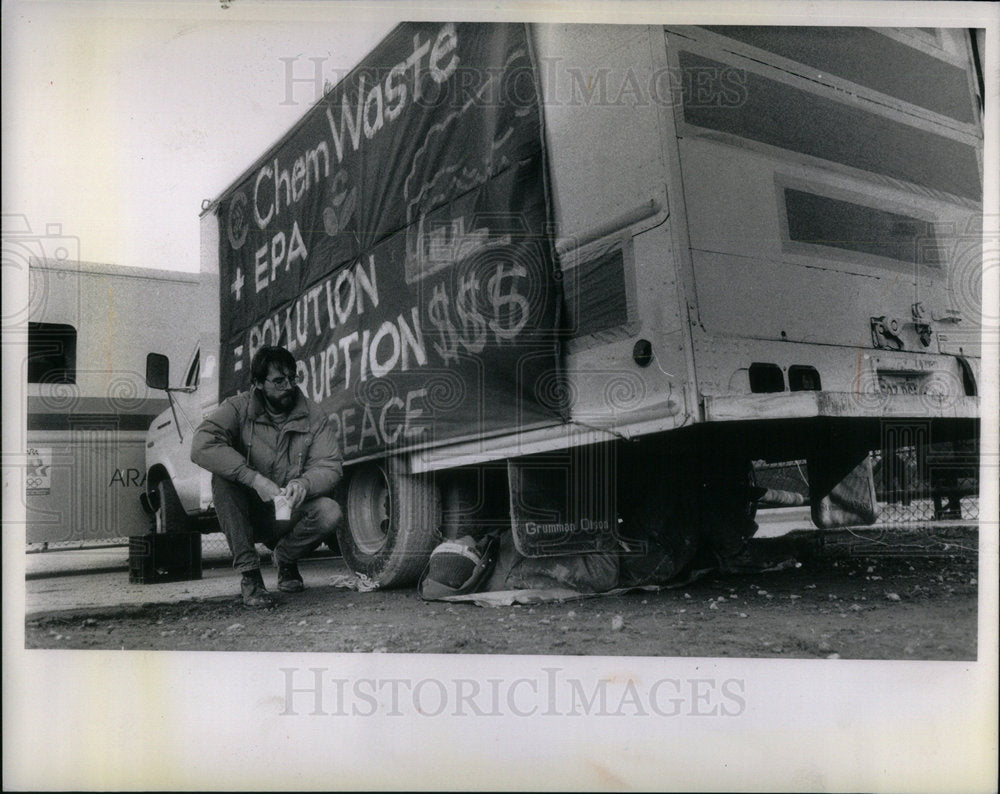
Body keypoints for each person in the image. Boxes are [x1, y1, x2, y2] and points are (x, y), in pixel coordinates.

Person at [191, 346, 343, 607]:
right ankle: (251, 577)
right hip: (246, 512)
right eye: (278, 381)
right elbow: (202, 446)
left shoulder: (313, 414)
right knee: (222, 481)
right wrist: (253, 478)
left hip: (285, 510)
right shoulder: (237, 409)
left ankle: (285, 559)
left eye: (292, 378)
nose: (288, 386)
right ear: (258, 383)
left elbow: (330, 465)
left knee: (330, 511)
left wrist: (303, 483)